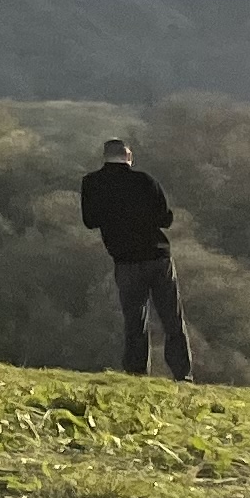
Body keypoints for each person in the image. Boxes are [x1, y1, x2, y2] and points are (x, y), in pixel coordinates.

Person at [80, 135, 191, 379]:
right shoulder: (145, 181)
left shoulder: (91, 183)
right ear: (128, 157)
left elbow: (89, 221)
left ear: (105, 157)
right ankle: (183, 375)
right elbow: (166, 219)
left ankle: (137, 374)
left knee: (135, 322)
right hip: (157, 256)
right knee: (172, 319)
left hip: (125, 260)